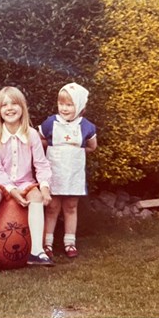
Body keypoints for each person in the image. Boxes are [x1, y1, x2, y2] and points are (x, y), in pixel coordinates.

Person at [0, 87, 54, 278]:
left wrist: (45, 187)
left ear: (22, 107)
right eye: (4, 105)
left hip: (24, 180)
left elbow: (41, 164)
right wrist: (11, 190)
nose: (9, 108)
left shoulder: (32, 135)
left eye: (14, 103)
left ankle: (36, 250)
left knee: (36, 195)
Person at [39, 82, 97, 259]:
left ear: (79, 106)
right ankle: (47, 243)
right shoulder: (51, 122)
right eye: (61, 104)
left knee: (71, 207)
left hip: (73, 174)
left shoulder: (86, 126)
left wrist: (75, 153)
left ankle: (69, 242)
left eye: (69, 105)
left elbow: (92, 146)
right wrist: (54, 149)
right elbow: (39, 140)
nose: (64, 108)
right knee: (52, 207)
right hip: (54, 171)